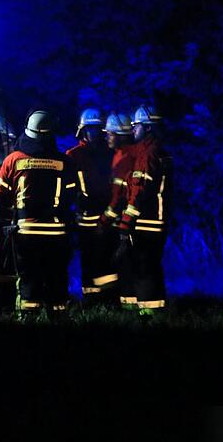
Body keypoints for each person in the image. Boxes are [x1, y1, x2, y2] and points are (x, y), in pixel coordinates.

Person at [0, 110, 81, 318]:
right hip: (57, 234)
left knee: (28, 277)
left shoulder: (13, 160)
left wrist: (11, 209)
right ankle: (59, 318)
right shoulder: (65, 162)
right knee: (57, 277)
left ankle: (29, 319)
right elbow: (72, 195)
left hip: (26, 233)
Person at [114, 105, 172, 316]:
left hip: (146, 221)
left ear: (147, 128)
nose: (133, 130)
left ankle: (149, 315)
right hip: (158, 218)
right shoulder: (161, 150)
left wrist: (126, 221)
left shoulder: (148, 154)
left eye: (136, 126)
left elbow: (139, 190)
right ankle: (148, 311)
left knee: (144, 267)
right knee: (150, 265)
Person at [65, 108, 113, 303]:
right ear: (83, 131)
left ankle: (109, 297)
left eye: (97, 129)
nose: (94, 133)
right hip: (84, 218)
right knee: (89, 259)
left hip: (108, 216)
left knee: (108, 260)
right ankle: (91, 299)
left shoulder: (110, 153)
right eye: (90, 129)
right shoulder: (73, 155)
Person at [98, 112, 136, 302]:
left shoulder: (126, 157)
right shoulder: (119, 155)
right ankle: (113, 300)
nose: (107, 137)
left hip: (125, 223)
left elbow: (119, 197)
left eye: (110, 134)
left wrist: (105, 219)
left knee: (125, 264)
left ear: (120, 135)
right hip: (121, 222)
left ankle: (124, 307)